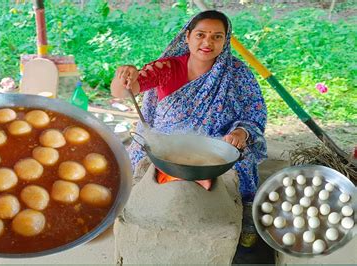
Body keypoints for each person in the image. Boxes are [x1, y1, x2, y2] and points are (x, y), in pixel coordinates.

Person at [110, 10, 267, 247]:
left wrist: (239, 134)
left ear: (225, 40)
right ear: (187, 37)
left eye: (217, 37)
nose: (207, 42)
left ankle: (245, 212)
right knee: (134, 164)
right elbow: (123, 91)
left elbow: (253, 115)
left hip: (215, 143)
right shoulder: (167, 68)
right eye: (201, 35)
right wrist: (123, 76)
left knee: (243, 161)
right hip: (165, 141)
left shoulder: (237, 73)